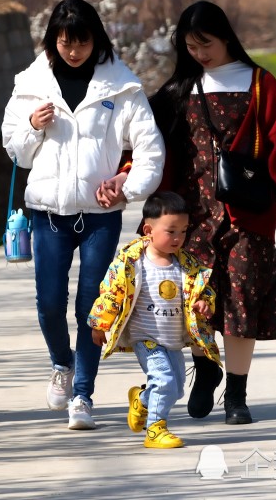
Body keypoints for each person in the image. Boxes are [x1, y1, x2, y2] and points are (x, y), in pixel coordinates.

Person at [1, 0, 164, 431]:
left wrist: (126, 187)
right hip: (48, 214)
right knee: (49, 303)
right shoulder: (32, 84)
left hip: (99, 215)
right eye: (64, 41)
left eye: (81, 41)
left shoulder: (121, 86)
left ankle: (83, 394)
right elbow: (14, 150)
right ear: (53, 40)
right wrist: (32, 126)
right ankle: (62, 363)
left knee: (93, 304)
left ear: (96, 39)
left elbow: (150, 148)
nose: (73, 50)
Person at [150, 0, 276, 426]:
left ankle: (236, 394)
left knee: (242, 303)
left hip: (248, 215)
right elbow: (152, 146)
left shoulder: (260, 83)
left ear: (226, 37)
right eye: (190, 46)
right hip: (192, 217)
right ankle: (206, 369)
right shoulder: (178, 89)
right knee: (198, 302)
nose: (200, 54)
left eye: (206, 44)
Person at [88, 191, 221, 449]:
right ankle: (156, 430)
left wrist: (206, 303)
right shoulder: (132, 263)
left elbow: (203, 291)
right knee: (165, 381)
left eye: (183, 231)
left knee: (177, 388)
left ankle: (141, 400)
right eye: (171, 231)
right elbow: (111, 293)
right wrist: (99, 322)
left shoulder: (187, 265)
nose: (178, 238)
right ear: (148, 229)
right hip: (145, 338)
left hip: (171, 339)